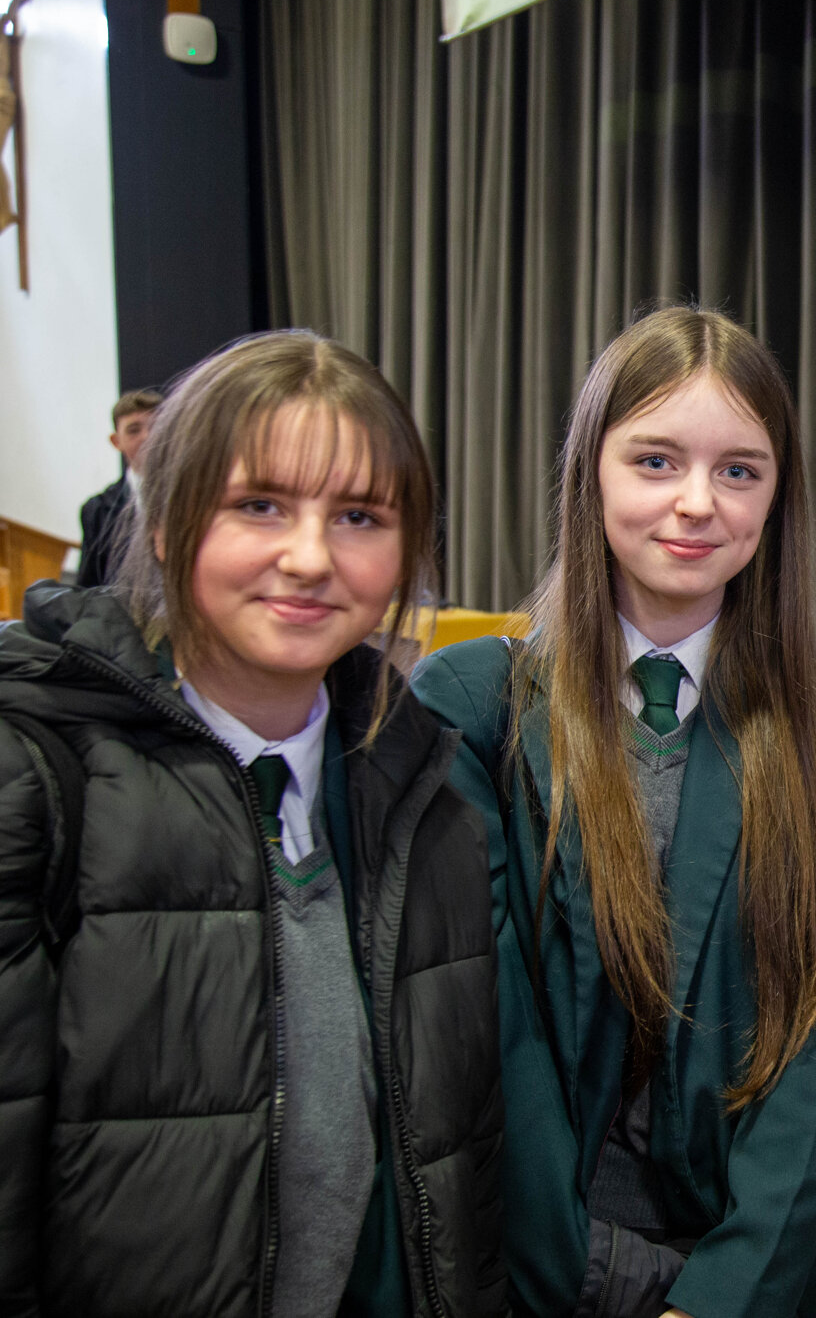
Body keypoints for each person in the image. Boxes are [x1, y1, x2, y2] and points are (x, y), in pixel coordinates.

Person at [0, 331, 506, 1316]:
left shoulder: (430, 801)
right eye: (258, 505)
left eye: (359, 515)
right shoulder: (39, 777)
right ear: (166, 522)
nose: (310, 557)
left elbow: (450, 1177)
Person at [412, 305, 816, 1318]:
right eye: (654, 461)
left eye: (738, 471)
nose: (695, 504)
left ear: (775, 498)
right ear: (590, 471)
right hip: (543, 1258)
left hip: (770, 1263)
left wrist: (717, 1299)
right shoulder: (470, 708)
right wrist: (585, 1275)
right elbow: (485, 1041)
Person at [76, 387, 162, 587]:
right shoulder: (98, 510)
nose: (147, 437)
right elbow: (89, 584)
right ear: (117, 441)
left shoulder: (196, 495)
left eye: (157, 426)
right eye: (134, 430)